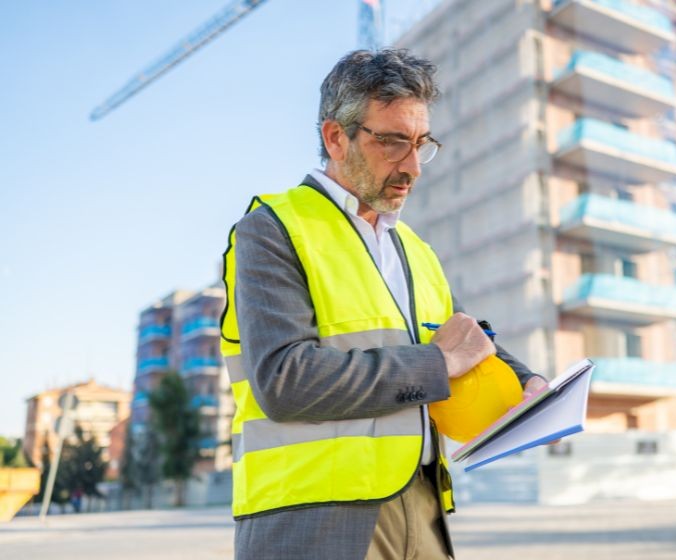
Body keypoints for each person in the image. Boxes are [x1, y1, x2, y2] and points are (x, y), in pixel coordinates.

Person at [221, 49, 546, 560]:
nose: (412, 166)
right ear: (336, 137)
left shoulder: (414, 248)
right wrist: (438, 363)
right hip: (315, 520)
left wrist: (530, 386)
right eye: (394, 142)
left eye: (421, 144)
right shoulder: (273, 229)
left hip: (422, 507)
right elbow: (284, 380)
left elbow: (459, 339)